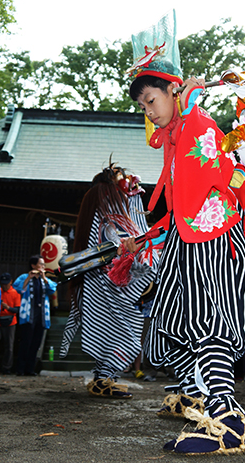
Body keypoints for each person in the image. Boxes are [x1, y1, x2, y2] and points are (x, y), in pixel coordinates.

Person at [125, 11, 245, 456]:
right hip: (192, 242)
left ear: (172, 89)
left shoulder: (197, 125)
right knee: (174, 327)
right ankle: (202, 400)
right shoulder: (179, 131)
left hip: (216, 244)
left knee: (206, 326)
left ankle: (230, 423)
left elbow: (222, 177)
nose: (147, 111)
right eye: (143, 105)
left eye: (150, 100)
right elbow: (184, 205)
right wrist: (146, 239)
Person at [59, 163, 159, 398]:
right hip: (105, 284)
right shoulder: (106, 212)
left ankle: (104, 378)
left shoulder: (110, 211)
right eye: (121, 178)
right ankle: (104, 379)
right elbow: (116, 243)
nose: (127, 182)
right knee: (123, 335)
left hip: (109, 284)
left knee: (120, 333)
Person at [14, 255, 57, 376]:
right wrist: (29, 277)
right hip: (28, 314)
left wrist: (44, 278)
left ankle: (30, 369)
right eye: (41, 264)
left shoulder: (44, 279)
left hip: (41, 315)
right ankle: (20, 369)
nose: (43, 266)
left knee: (36, 343)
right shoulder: (24, 277)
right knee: (25, 342)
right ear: (33, 265)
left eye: (44, 264)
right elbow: (18, 288)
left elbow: (52, 290)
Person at [0, 272, 20, 375]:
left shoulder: (15, 293)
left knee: (9, 346)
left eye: (6, 283)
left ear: (11, 282)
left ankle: (7, 367)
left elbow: (17, 309)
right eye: (3, 284)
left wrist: (8, 308)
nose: (4, 286)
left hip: (11, 321)